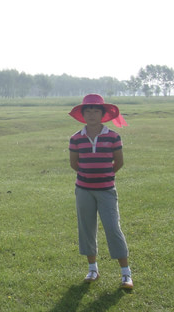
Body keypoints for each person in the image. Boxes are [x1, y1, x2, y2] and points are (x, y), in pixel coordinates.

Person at [67, 94, 133, 289]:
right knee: (87, 229)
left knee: (113, 228)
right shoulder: (76, 138)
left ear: (103, 114)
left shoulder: (113, 136)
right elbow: (74, 164)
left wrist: (105, 176)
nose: (92, 114)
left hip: (106, 191)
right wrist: (88, 177)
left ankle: (125, 274)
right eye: (88, 111)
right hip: (83, 191)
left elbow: (119, 162)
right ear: (83, 114)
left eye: (96, 111)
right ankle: (92, 269)